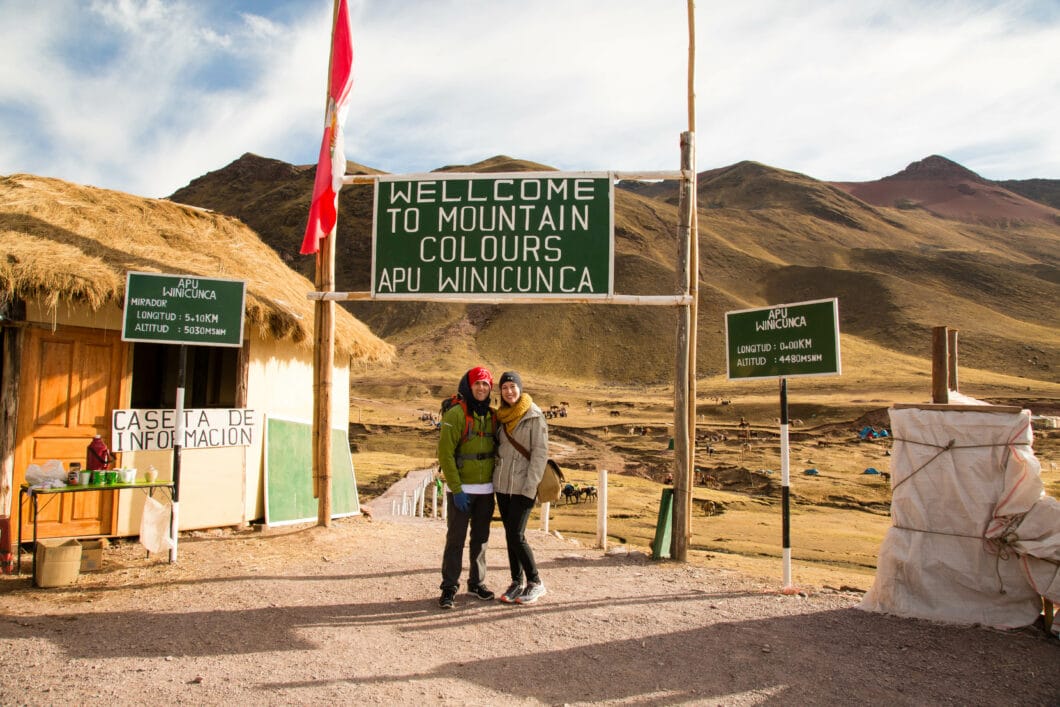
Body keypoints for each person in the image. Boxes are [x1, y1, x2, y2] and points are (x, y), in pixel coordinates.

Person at [437, 366, 498, 609]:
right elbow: (445, 454)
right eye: (477, 384)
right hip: (461, 490)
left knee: (481, 539)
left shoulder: (493, 416)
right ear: (469, 386)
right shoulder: (455, 415)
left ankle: (476, 583)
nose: (481, 388)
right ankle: (449, 587)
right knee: (455, 539)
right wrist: (457, 488)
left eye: (485, 384)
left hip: (486, 490)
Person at [493, 370, 548, 604]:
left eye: (513, 387)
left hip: (524, 486)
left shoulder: (534, 416)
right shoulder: (501, 416)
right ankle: (517, 582)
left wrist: (530, 487)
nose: (509, 391)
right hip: (503, 486)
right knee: (510, 534)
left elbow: (540, 454)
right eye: (505, 388)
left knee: (517, 534)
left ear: (520, 388)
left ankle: (535, 582)